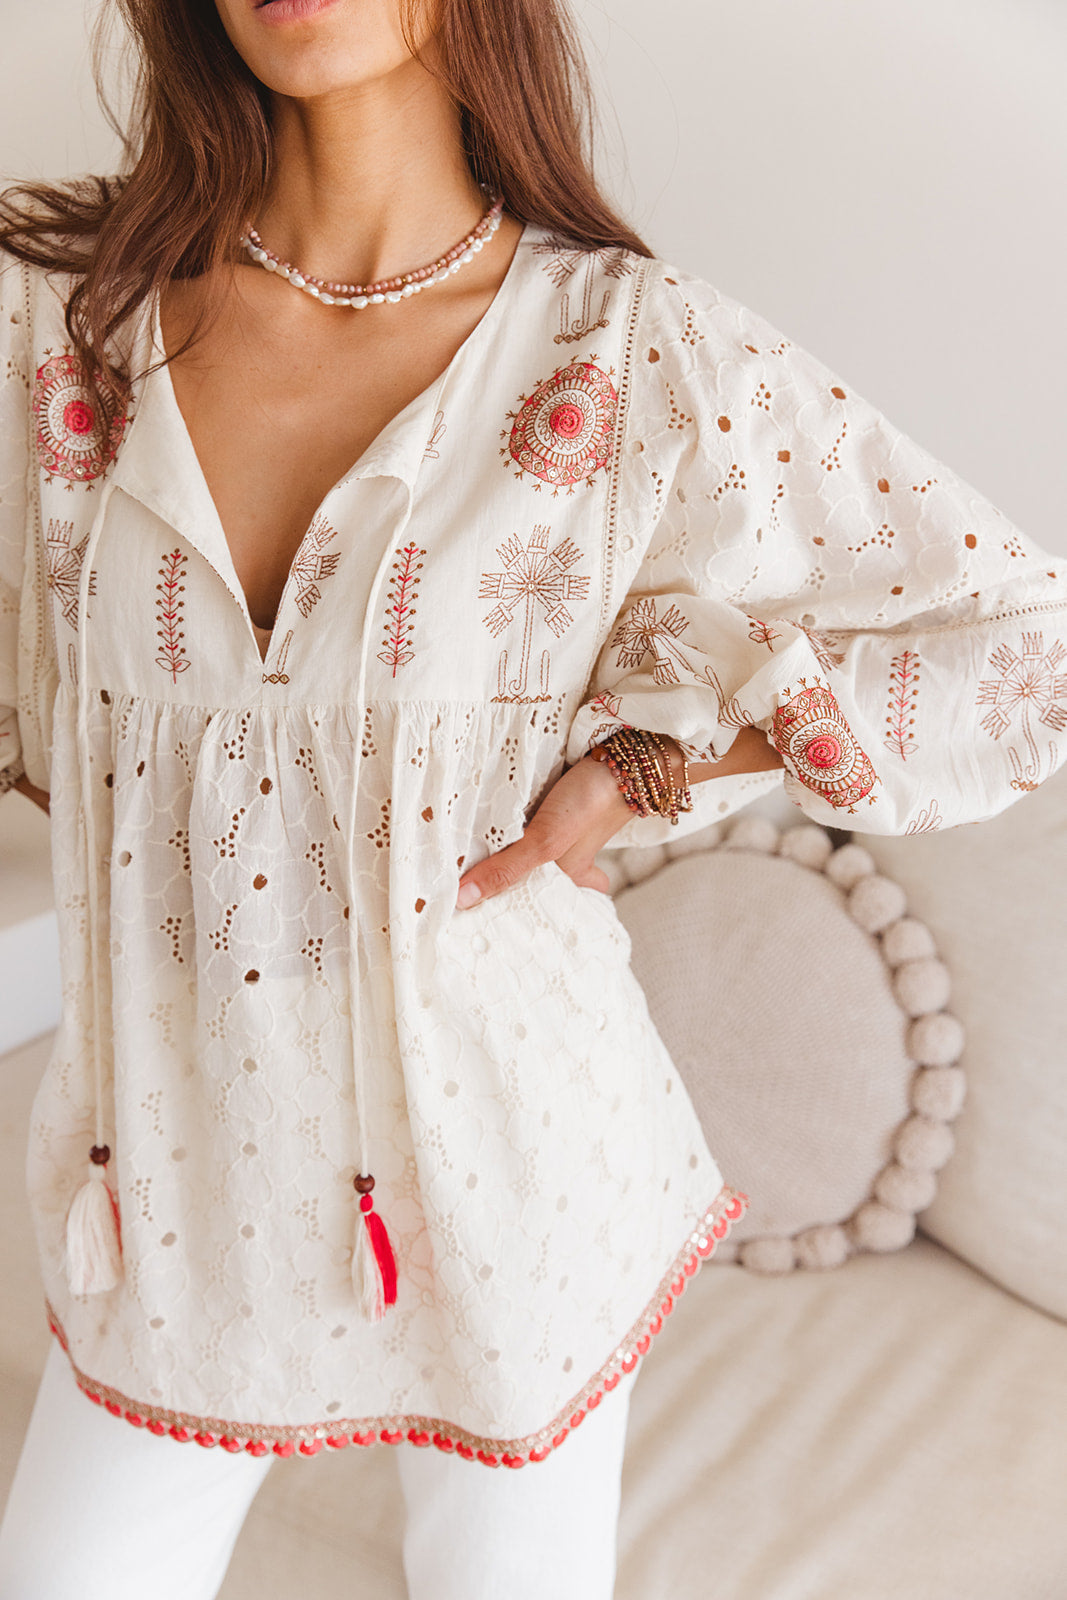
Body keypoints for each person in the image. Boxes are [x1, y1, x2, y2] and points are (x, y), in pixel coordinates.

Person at [0, 1, 1064, 1596]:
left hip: (518, 1161)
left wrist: (660, 767)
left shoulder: (630, 351)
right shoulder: (60, 333)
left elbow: (1022, 650)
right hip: (163, 1184)